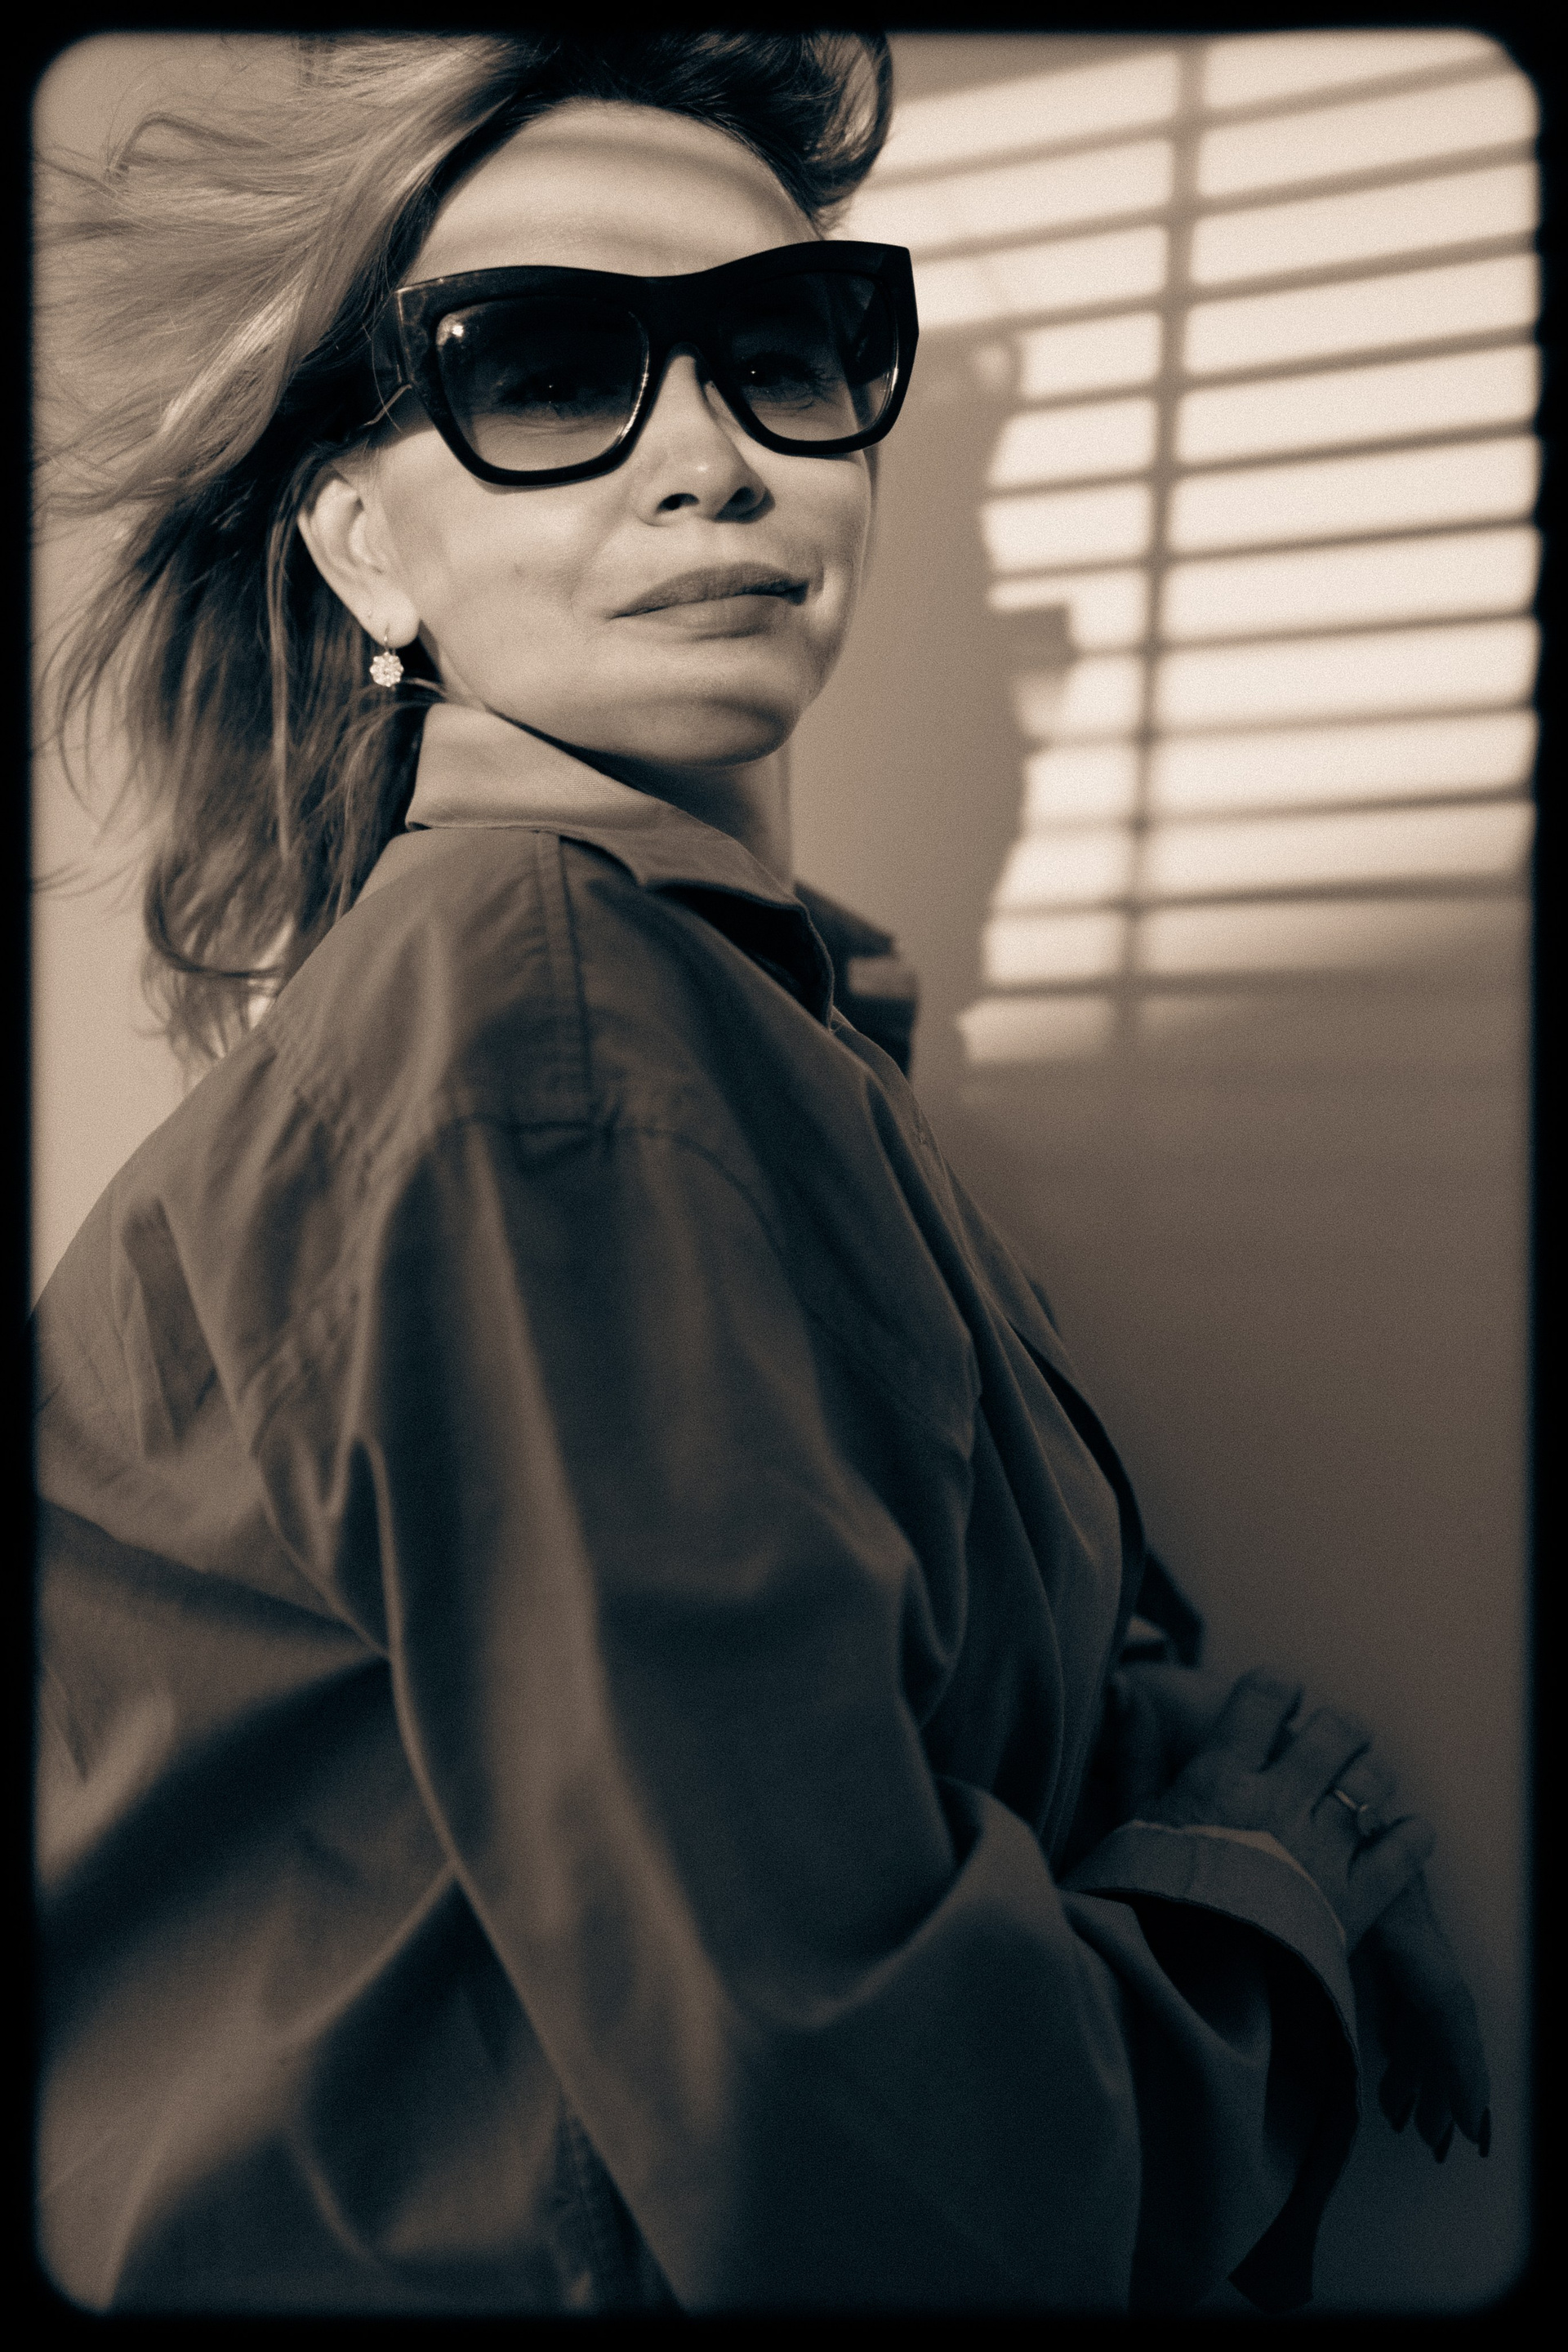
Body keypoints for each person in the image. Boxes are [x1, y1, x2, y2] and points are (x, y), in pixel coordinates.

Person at [32, 31, 1490, 2315]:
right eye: (545, 376)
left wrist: (1203, 1773)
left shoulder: (742, 1039)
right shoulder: (537, 1020)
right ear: (361, 540)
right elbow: (874, 2172)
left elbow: (945, 1722)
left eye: (786, 352)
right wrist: (1273, 1917)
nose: (710, 461)